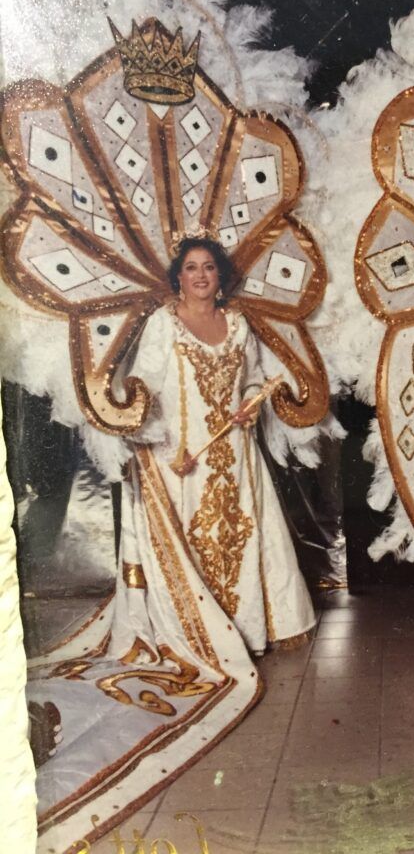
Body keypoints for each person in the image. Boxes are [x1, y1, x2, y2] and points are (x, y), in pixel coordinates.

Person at [110, 233, 316, 661]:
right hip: (181, 459)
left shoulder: (238, 325)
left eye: (208, 267)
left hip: (237, 456)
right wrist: (165, 446)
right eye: (191, 268)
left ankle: (245, 633)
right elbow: (142, 390)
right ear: (178, 278)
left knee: (241, 538)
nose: (200, 275)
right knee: (195, 543)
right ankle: (200, 639)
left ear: (220, 276)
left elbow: (254, 379)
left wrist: (250, 404)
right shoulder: (163, 323)